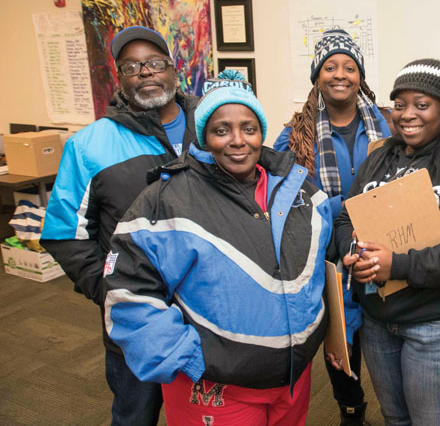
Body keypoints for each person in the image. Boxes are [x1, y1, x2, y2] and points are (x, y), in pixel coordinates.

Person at [101, 70, 333, 425]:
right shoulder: (167, 200)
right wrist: (185, 358)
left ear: (261, 132)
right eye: (222, 130)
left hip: (292, 380)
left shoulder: (297, 190)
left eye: (249, 128)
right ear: (205, 137)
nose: (238, 140)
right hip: (215, 388)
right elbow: (127, 290)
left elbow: (324, 261)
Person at [41, 26, 198, 425]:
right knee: (135, 415)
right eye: (131, 66)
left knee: (209, 414)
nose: (145, 72)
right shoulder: (89, 145)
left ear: (173, 68)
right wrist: (108, 289)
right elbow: (64, 234)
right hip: (135, 318)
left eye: (154, 63)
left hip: (208, 308)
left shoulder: (211, 125)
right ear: (120, 78)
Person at [334, 59, 440, 425]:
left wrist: (397, 265)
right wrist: (354, 251)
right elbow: (346, 218)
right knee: (395, 419)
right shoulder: (378, 159)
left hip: (438, 325)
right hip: (379, 322)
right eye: (400, 104)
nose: (407, 114)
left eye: (421, 104)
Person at [274, 28, 392, 425]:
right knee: (341, 343)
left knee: (385, 338)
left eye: (349, 67)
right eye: (330, 66)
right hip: (327, 259)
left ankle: (396, 409)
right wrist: (349, 205)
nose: (340, 74)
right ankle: (351, 411)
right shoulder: (294, 137)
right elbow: (286, 204)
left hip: (383, 249)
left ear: (360, 75)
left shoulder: (388, 125)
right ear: (317, 76)